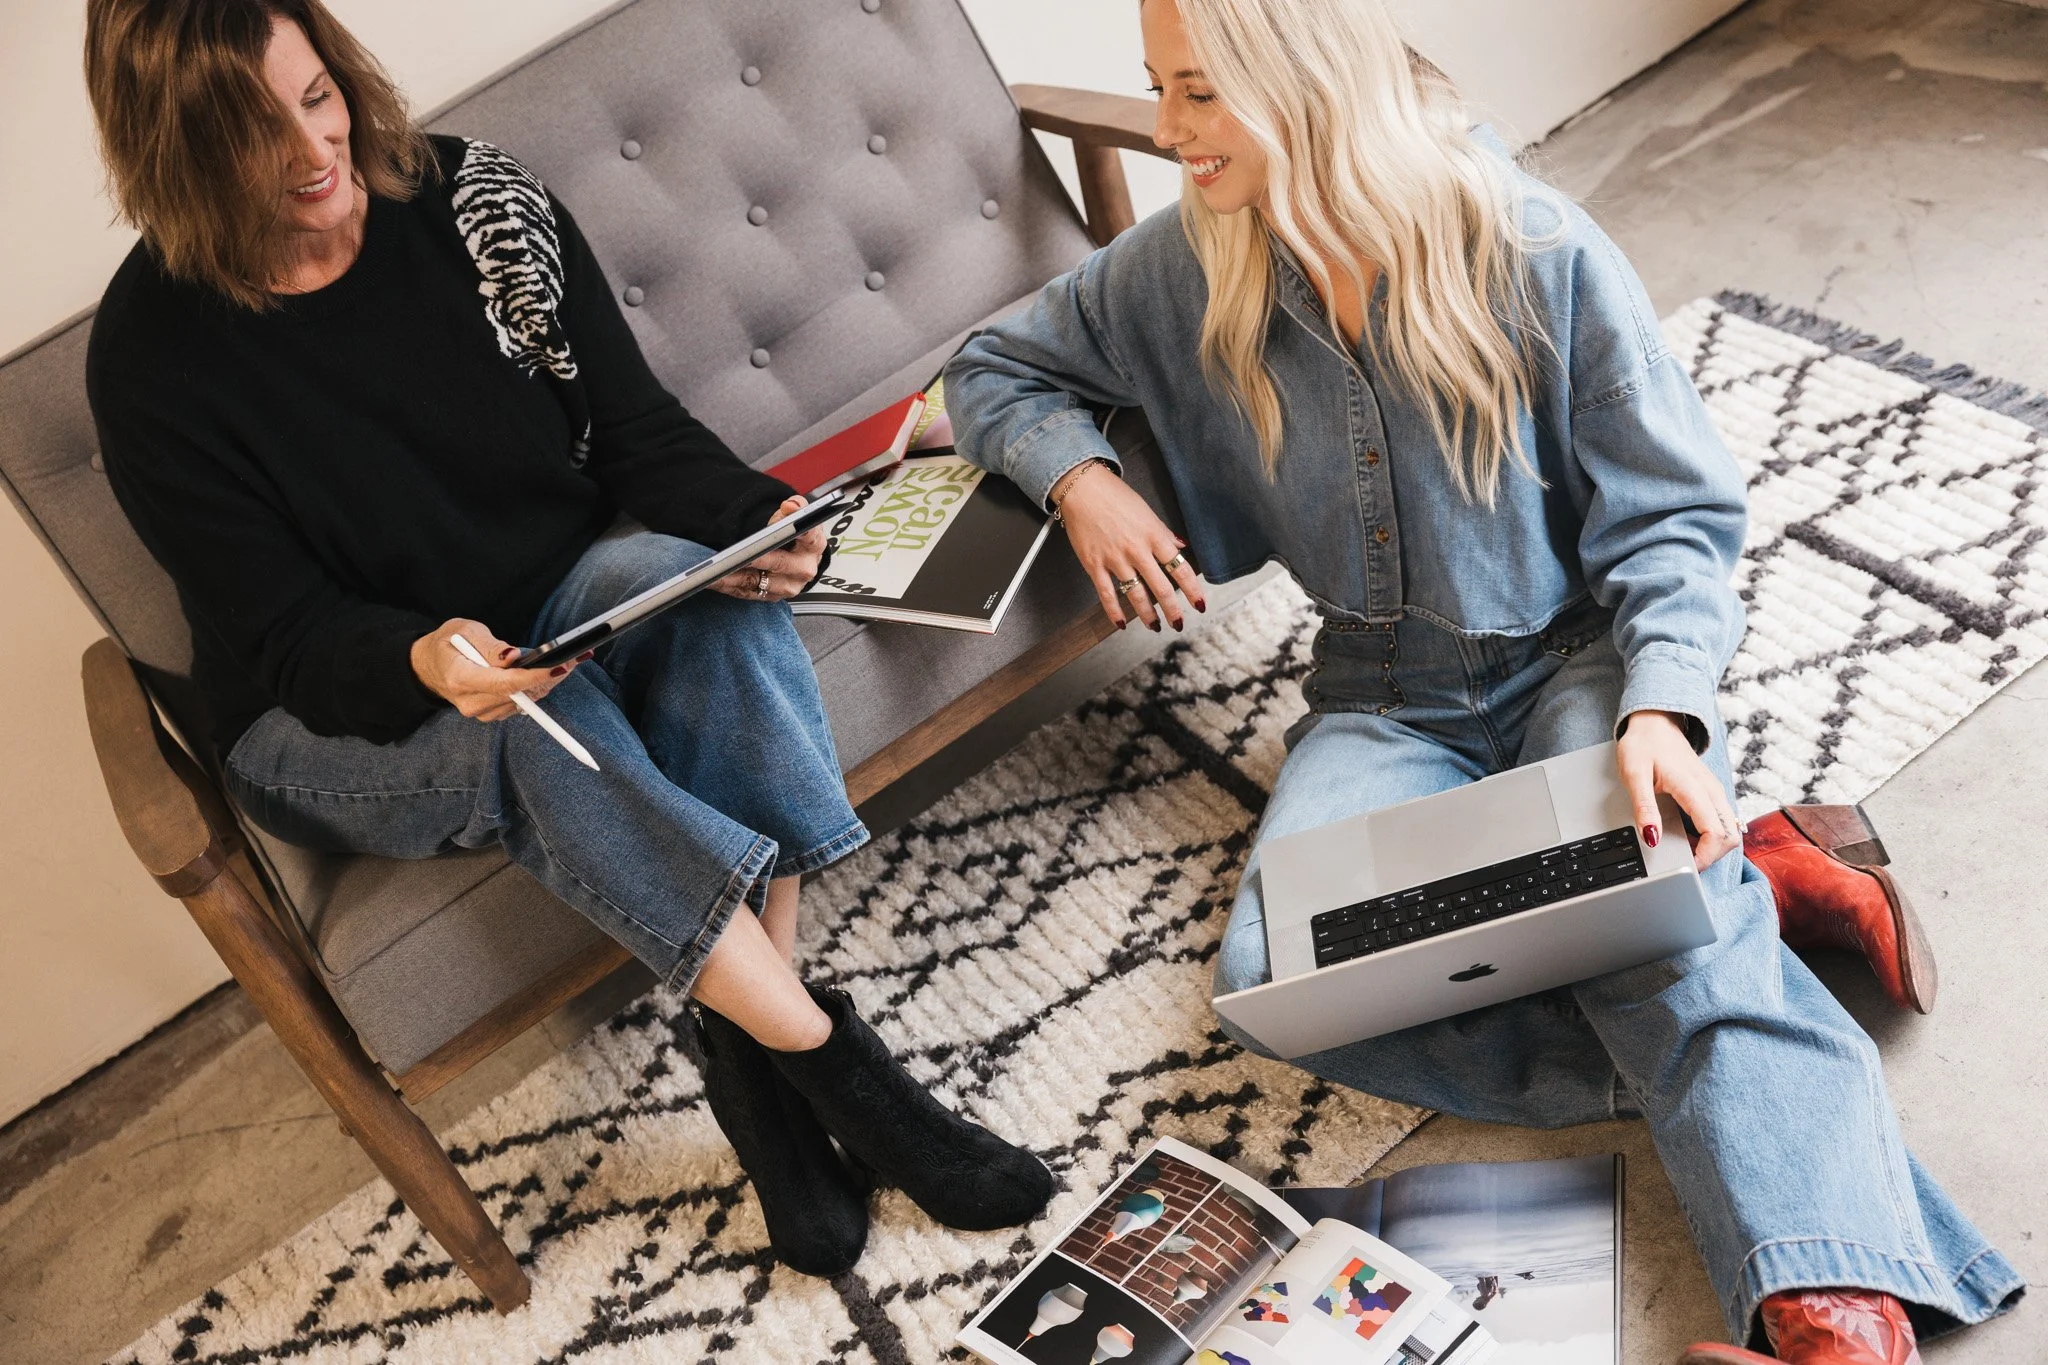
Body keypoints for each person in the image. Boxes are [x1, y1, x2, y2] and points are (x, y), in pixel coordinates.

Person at [945, 1, 2022, 1361]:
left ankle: (1833, 1320)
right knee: (1287, 979)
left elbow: (1677, 520)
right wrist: (1081, 478)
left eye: (1199, 94)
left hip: (1584, 657)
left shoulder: (1532, 245)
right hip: (1380, 692)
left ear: (1303, 82)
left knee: (1642, 941)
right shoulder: (1183, 264)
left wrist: (1661, 708)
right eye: (1157, 89)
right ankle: (1755, 887)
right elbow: (990, 367)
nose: (1165, 131)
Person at [81, 0, 1051, 1279]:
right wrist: (428, 660)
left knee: (696, 586)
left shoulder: (475, 204)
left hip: (557, 604)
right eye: (255, 133)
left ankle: (758, 1085)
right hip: (316, 713)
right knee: (555, 733)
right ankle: (851, 1083)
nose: (314, 149)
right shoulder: (153, 358)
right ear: (174, 150)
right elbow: (289, 636)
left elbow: (635, 432)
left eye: (317, 96)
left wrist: (749, 523)